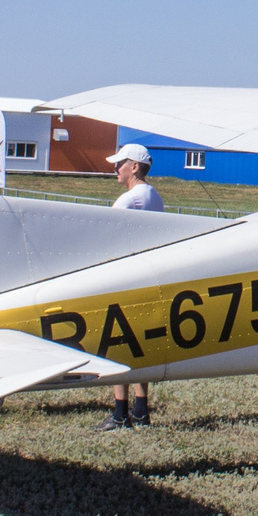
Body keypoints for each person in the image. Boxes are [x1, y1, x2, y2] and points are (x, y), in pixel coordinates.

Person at [96, 143, 162, 431]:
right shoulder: (154, 196)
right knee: (141, 347)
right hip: (147, 278)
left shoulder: (128, 200)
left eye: (120, 164)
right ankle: (141, 411)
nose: (115, 169)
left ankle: (120, 413)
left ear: (134, 167)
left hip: (124, 281)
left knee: (118, 348)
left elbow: (107, 239)